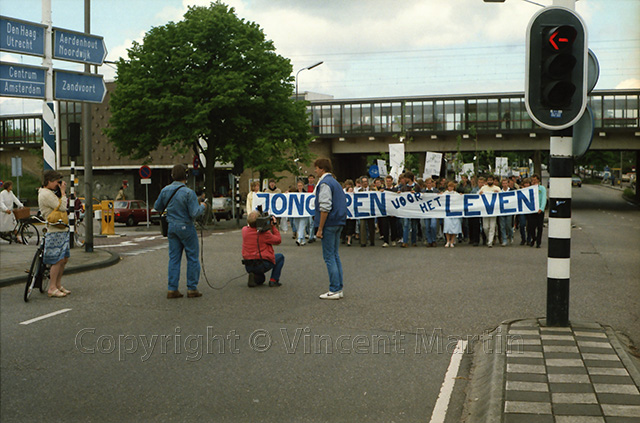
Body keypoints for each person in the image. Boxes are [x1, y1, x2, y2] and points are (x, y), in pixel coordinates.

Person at [154, 164, 205, 299]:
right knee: (192, 257)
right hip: (186, 227)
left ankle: (172, 289)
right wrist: (203, 207)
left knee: (174, 258)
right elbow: (194, 213)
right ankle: (192, 288)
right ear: (186, 176)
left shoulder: (165, 190)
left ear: (172, 175)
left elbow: (157, 206)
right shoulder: (189, 192)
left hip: (171, 227)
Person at [313, 158, 347, 300]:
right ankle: (338, 287)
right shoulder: (335, 183)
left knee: (329, 256)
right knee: (335, 255)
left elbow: (325, 207)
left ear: (321, 168)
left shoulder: (325, 183)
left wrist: (320, 228)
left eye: (316, 168)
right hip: (339, 221)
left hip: (329, 222)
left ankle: (334, 288)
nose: (315, 170)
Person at [38, 170, 71, 298]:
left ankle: (58, 285)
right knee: (56, 259)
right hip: (54, 229)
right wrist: (63, 193)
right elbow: (63, 206)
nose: (58, 184)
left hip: (61, 228)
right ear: (50, 181)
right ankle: (52, 287)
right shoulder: (46, 194)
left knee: (63, 259)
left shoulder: (51, 193)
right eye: (57, 182)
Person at [242, 211, 284, 287]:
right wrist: (273, 226)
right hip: (262, 263)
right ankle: (273, 280)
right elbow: (278, 240)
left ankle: (253, 275)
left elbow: (250, 227)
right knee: (280, 257)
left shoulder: (244, 230)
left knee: (261, 280)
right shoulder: (265, 234)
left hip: (248, 265)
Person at [479, 175, 501, 247]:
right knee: (485, 227)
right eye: (488, 180)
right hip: (485, 210)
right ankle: (489, 238)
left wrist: (498, 193)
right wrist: (480, 194)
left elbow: (502, 197)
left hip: (494, 210)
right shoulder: (483, 188)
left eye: (491, 180)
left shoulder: (497, 188)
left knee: (492, 226)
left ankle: (490, 242)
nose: (490, 181)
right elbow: (477, 197)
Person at [528, 174, 547, 248]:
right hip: (532, 210)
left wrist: (541, 208)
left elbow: (543, 198)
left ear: (538, 180)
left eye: (535, 180)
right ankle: (534, 238)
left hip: (539, 210)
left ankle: (538, 242)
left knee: (539, 227)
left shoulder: (542, 188)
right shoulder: (529, 188)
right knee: (531, 227)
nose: (534, 181)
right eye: (532, 180)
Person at [442, 181, 462, 247]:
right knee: (447, 226)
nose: (450, 188)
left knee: (455, 226)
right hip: (447, 212)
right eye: (449, 186)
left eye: (451, 186)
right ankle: (447, 240)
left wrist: (461, 196)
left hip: (455, 212)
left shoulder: (456, 194)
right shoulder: (445, 193)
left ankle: (452, 241)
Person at [421, 178, 439, 247]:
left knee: (433, 225)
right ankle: (429, 241)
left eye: (430, 183)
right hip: (426, 211)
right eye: (427, 183)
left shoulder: (435, 190)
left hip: (433, 211)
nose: (429, 184)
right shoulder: (423, 191)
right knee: (427, 226)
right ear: (425, 184)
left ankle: (434, 239)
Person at [498, 178, 514, 246]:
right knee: (502, 226)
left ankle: (510, 236)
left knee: (508, 225)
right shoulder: (499, 192)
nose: (505, 185)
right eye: (503, 183)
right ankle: (504, 239)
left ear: (508, 184)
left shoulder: (512, 191)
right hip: (501, 211)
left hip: (509, 210)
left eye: (506, 183)